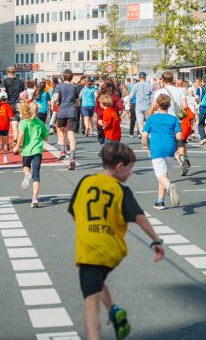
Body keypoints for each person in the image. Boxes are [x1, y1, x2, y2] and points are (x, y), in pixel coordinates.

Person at [68, 142, 165, 340]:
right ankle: (113, 310)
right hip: (112, 249)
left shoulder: (85, 182)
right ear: (120, 167)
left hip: (91, 249)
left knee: (90, 304)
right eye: (131, 168)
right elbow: (139, 217)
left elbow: (74, 213)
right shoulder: (121, 191)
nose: (131, 173)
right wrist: (156, 241)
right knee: (95, 282)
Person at [142, 94, 181, 210]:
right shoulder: (173, 119)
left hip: (157, 147)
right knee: (163, 175)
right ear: (169, 105)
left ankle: (170, 187)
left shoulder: (152, 118)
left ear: (157, 105)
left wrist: (146, 146)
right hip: (170, 148)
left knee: (160, 175)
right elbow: (179, 136)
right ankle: (160, 201)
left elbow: (144, 135)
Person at [13, 101, 49, 208]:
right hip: (37, 150)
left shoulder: (23, 122)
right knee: (36, 175)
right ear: (37, 112)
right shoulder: (41, 123)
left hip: (27, 150)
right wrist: (42, 135)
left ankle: (27, 174)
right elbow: (46, 137)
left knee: (25, 167)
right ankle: (34, 198)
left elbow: (21, 134)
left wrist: (17, 146)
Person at [52, 69, 80, 170]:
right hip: (72, 112)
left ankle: (62, 151)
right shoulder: (75, 87)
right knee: (71, 134)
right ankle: (72, 158)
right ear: (71, 77)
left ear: (63, 77)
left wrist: (53, 105)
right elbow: (78, 102)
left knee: (60, 131)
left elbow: (55, 98)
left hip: (62, 111)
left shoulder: (59, 86)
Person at [2, 66, 25, 143]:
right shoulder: (21, 81)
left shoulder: (5, 81)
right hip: (18, 104)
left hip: (8, 105)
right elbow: (23, 94)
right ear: (14, 72)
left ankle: (7, 143)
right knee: (16, 124)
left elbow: (3, 93)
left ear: (7, 72)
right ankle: (16, 140)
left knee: (6, 126)